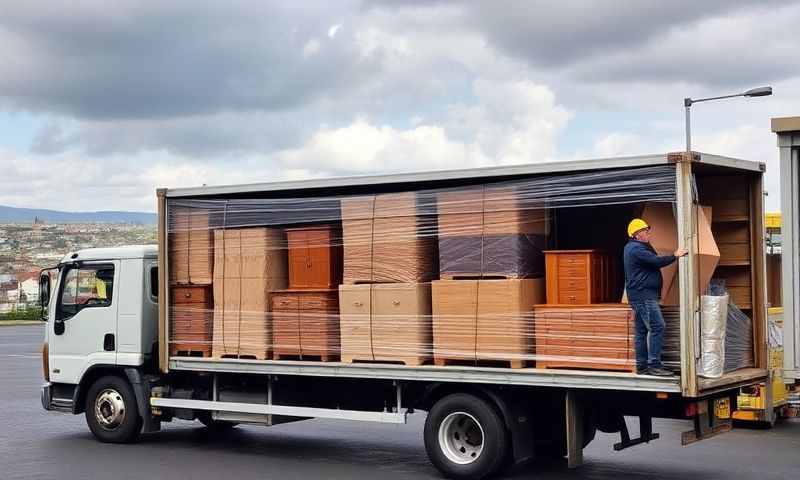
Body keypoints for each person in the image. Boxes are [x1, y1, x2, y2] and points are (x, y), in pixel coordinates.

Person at [624, 218, 687, 376]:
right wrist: (675, 255)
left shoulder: (634, 247)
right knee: (658, 326)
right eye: (645, 231)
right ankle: (654, 365)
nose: (648, 233)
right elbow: (656, 261)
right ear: (637, 235)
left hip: (640, 296)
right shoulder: (636, 249)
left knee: (641, 332)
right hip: (644, 296)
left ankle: (642, 366)